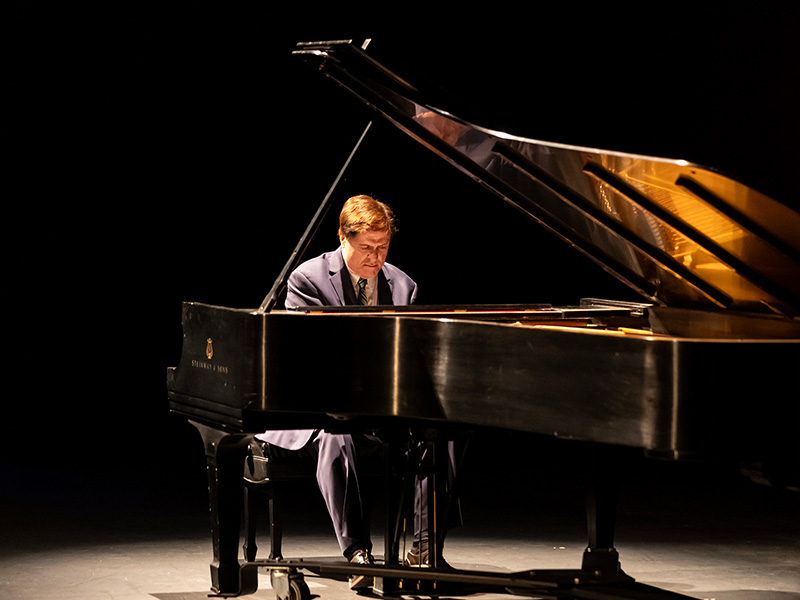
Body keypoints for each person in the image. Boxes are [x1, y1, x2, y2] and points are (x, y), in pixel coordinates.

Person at [256, 195, 421, 588]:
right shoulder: (307, 279)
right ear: (342, 238)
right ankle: (358, 553)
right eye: (367, 248)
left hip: (381, 405)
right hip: (315, 406)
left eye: (383, 248)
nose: (376, 258)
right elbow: (304, 357)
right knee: (336, 436)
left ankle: (425, 548)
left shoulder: (403, 285)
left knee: (442, 436)